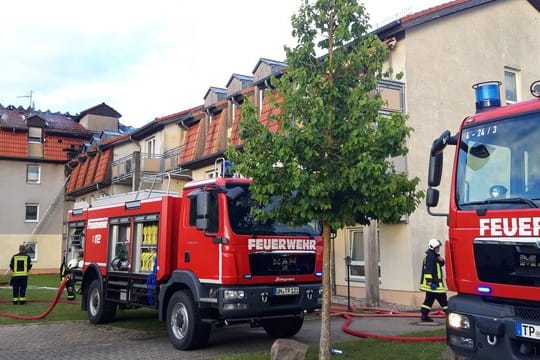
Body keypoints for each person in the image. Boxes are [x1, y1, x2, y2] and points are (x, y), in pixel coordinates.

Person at [419, 238, 448, 322]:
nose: (438, 249)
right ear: (433, 247)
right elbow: (428, 271)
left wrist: (442, 261)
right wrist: (430, 283)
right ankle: (450, 316)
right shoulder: (430, 257)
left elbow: (438, 266)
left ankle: (424, 316)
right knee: (443, 300)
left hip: (435, 283)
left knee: (429, 300)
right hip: (434, 283)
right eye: (437, 247)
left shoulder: (434, 256)